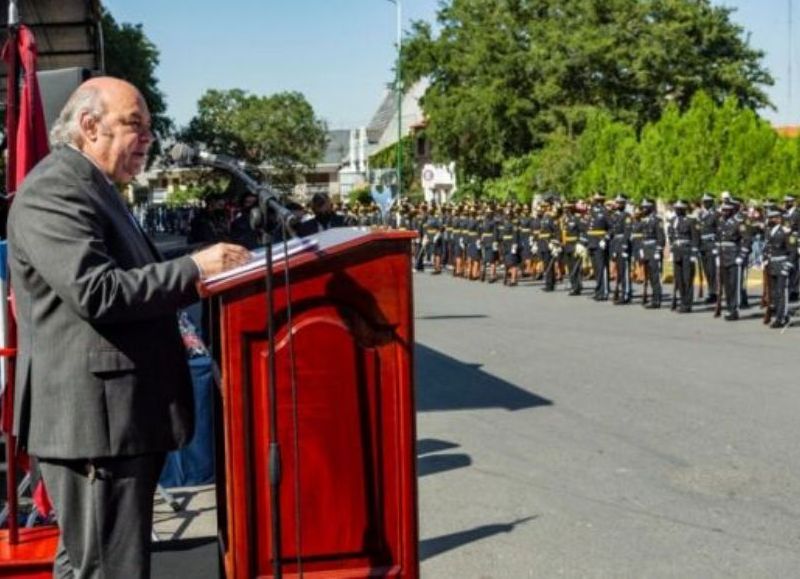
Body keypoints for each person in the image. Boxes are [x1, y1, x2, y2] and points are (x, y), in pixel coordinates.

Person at [7, 77, 250, 578]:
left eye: (150, 128)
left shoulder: (98, 188)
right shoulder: (56, 188)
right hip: (94, 425)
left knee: (85, 565)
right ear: (89, 126)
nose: (147, 138)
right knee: (110, 569)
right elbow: (97, 292)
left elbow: (132, 274)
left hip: (115, 421)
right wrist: (195, 269)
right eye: (133, 124)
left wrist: (198, 265)